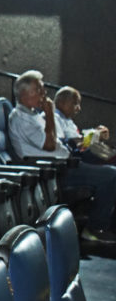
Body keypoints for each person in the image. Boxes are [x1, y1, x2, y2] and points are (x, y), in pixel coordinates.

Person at [9, 71, 116, 242]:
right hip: (52, 171)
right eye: (40, 91)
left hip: (63, 163)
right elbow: (50, 144)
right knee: (111, 175)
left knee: (109, 167)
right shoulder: (20, 118)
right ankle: (95, 227)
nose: (44, 96)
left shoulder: (32, 115)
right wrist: (50, 113)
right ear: (24, 94)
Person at [54, 86, 114, 163]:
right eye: (75, 103)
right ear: (61, 102)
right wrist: (94, 134)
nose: (79, 108)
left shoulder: (68, 121)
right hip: (72, 160)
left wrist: (97, 135)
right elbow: (69, 143)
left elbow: (80, 142)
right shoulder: (53, 118)